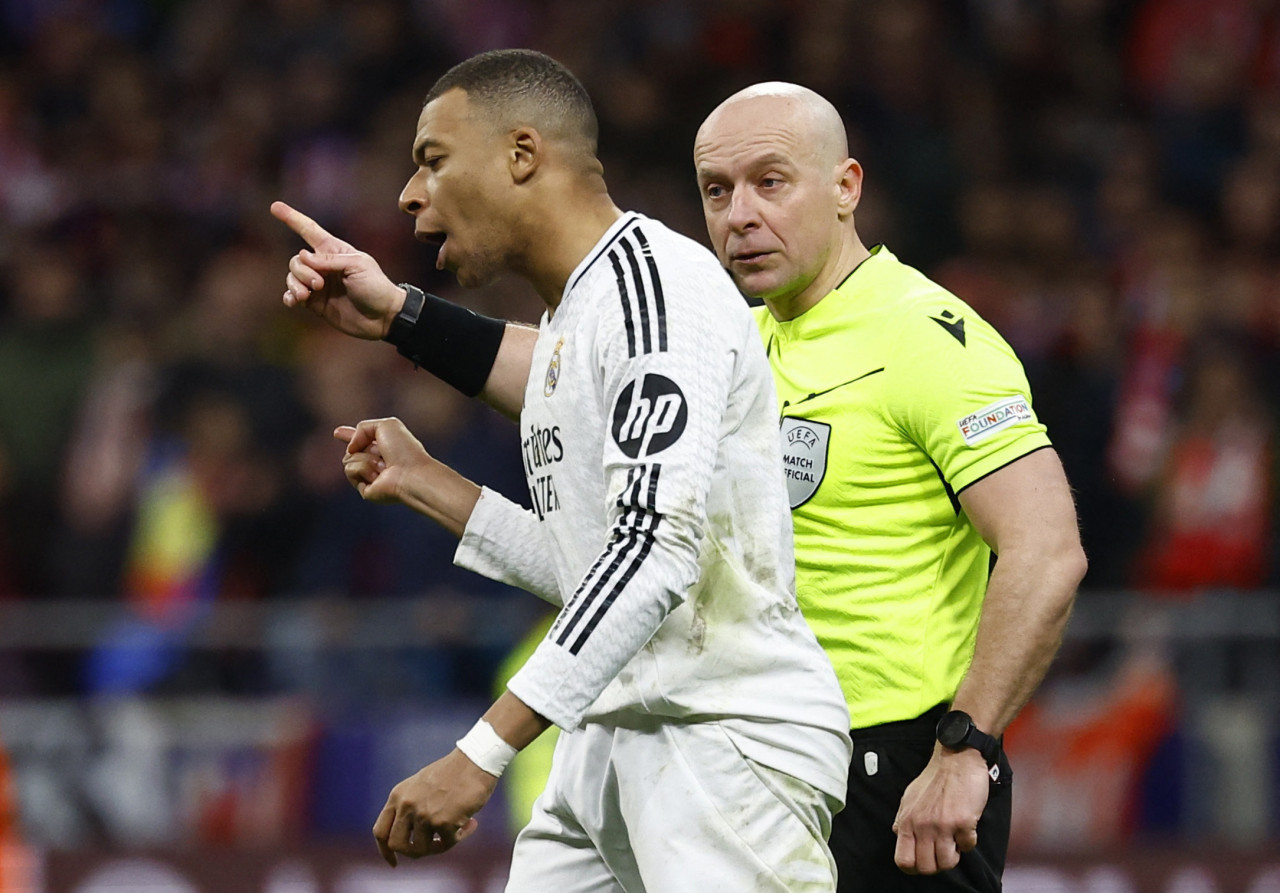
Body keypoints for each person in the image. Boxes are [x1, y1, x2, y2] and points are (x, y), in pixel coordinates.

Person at [273, 50, 852, 891]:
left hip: (725, 737)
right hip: (613, 729)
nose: (408, 194)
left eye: (432, 159)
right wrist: (432, 483)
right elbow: (593, 564)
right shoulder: (575, 319)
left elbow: (653, 554)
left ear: (521, 155)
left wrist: (482, 751)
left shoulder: (659, 293)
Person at [691, 84, 1087, 890]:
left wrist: (965, 746)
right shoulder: (742, 343)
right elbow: (569, 370)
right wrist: (410, 319)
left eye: (771, 181)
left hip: (902, 776)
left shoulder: (924, 336)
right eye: (717, 190)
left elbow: (1046, 550)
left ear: (847, 187)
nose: (739, 215)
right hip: (774, 764)